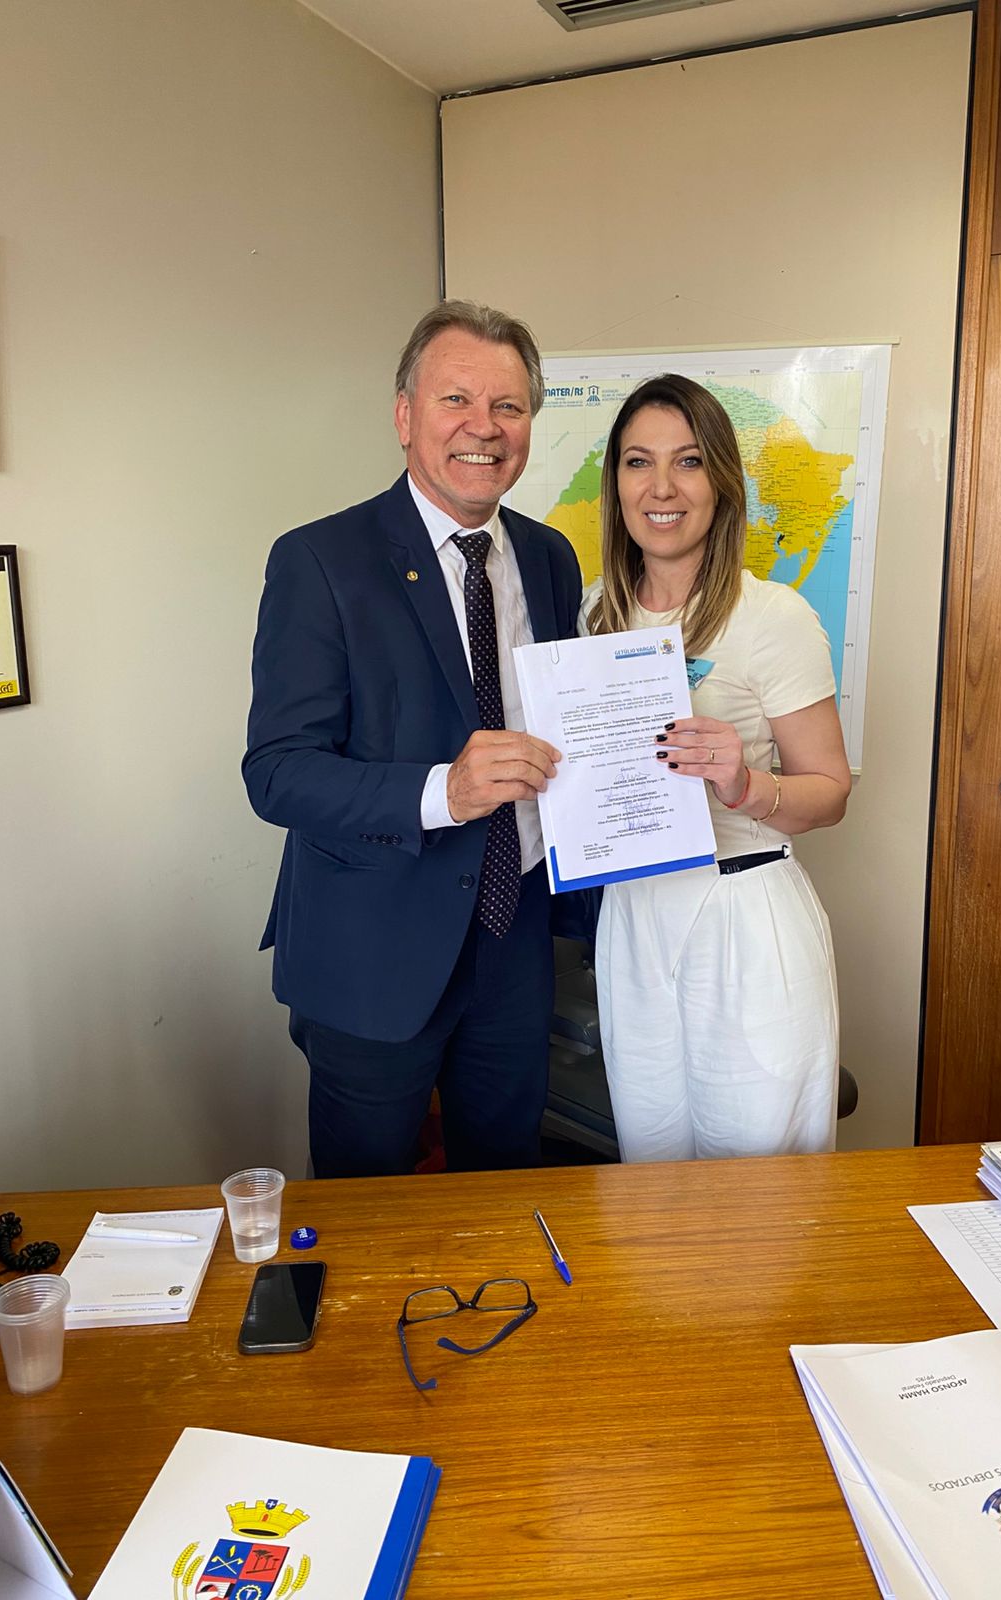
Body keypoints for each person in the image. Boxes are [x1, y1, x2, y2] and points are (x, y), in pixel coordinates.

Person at [243, 301, 582, 1177]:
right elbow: (277, 772)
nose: (484, 427)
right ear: (404, 416)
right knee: (366, 1207)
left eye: (508, 406)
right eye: (455, 400)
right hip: (373, 949)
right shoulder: (321, 560)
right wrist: (444, 791)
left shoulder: (549, 557)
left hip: (515, 936)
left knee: (503, 1183)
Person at [584, 373, 851, 1162]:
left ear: (722, 482)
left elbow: (830, 792)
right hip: (633, 918)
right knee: (651, 1171)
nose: (661, 487)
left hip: (744, 916)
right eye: (638, 462)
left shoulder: (773, 616)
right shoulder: (595, 613)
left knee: (757, 1189)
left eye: (689, 461)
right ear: (616, 484)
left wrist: (744, 784)